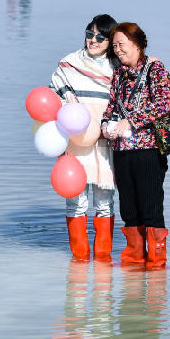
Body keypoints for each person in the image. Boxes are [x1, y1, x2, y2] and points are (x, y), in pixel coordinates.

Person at [101, 22, 170, 267]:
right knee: (129, 210)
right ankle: (133, 266)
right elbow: (112, 104)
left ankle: (156, 268)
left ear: (137, 43)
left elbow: (164, 104)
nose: (118, 50)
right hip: (122, 151)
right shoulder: (119, 73)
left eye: (121, 44)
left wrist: (130, 122)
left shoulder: (155, 67)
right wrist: (105, 124)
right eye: (114, 46)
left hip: (148, 150)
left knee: (151, 208)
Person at [50, 14, 118, 261]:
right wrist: (66, 101)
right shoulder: (69, 63)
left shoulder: (117, 67)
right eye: (90, 34)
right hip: (73, 141)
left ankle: (103, 262)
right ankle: (78, 262)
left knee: (104, 204)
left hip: (103, 142)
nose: (93, 40)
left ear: (110, 40)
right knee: (76, 203)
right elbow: (52, 93)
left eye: (100, 36)